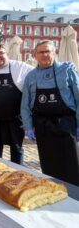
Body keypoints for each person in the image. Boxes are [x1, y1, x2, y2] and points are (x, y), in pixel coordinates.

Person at [21, 40, 79, 185]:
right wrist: (28, 127)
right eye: (41, 52)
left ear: (54, 53)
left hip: (66, 123)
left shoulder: (67, 70)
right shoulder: (31, 76)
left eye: (48, 51)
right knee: (49, 164)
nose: (45, 55)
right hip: (42, 126)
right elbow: (25, 105)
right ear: (35, 55)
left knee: (72, 164)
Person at [0, 44, 33, 164]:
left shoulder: (20, 67)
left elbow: (38, 70)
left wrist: (59, 67)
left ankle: (18, 174)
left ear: (7, 54)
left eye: (1, 53)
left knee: (17, 149)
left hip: (15, 120)